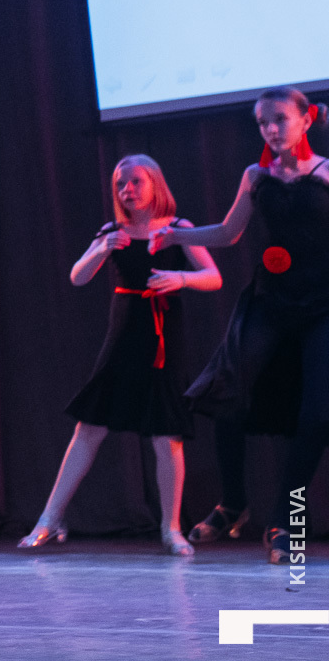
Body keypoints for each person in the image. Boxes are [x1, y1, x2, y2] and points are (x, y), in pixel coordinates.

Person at [156, 88, 329, 562]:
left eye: (280, 119)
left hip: (323, 306)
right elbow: (229, 232)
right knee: (226, 392)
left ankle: (286, 521)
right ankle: (233, 503)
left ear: (305, 120)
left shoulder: (326, 173)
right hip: (272, 302)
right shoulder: (256, 176)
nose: (270, 129)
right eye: (262, 122)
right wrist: (174, 235)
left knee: (317, 415)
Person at [18, 156, 220, 554]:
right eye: (120, 184)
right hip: (124, 336)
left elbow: (213, 277)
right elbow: (77, 276)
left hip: (163, 339)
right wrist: (100, 250)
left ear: (155, 183)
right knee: (89, 427)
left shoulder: (179, 229)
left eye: (135, 181)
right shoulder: (113, 231)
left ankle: (171, 529)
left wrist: (179, 278)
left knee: (167, 434)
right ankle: (49, 519)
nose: (127, 190)